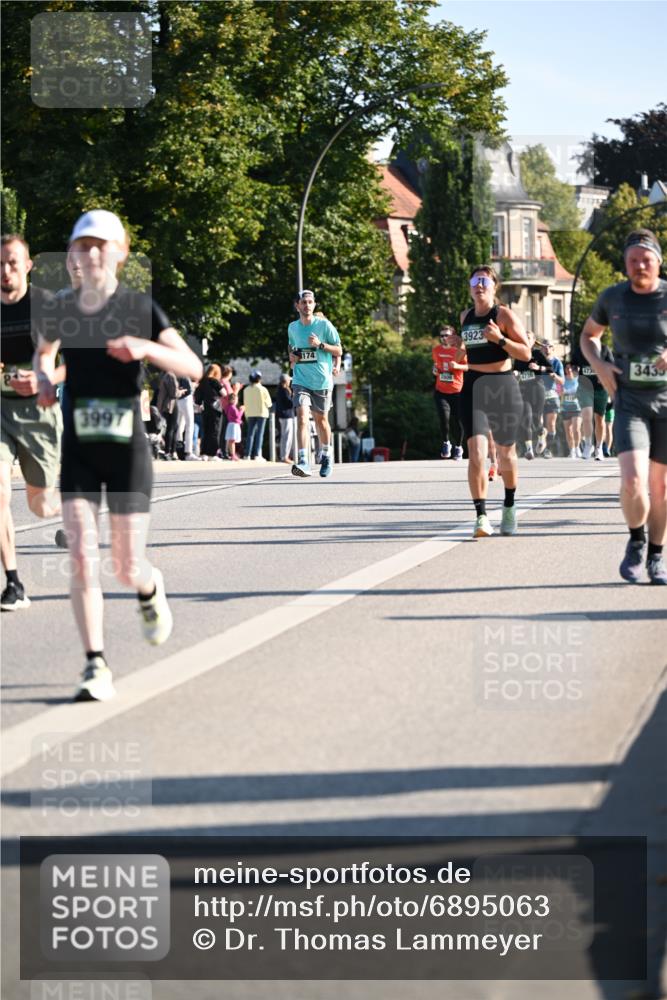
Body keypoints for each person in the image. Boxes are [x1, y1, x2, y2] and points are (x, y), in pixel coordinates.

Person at [33, 209, 203, 700]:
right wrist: (44, 380)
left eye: (99, 245)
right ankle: (95, 664)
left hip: (127, 449)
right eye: (81, 246)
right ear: (73, 255)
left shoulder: (139, 308)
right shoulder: (61, 307)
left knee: (126, 567)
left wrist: (144, 348)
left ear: (120, 251)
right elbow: (46, 353)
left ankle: (149, 588)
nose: (90, 254)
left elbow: (191, 365)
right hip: (81, 448)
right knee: (84, 558)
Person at [580, 228, 667, 585]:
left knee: (660, 487)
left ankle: (657, 556)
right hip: (629, 398)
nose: (639, 265)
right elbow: (588, 335)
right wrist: (599, 366)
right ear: (626, 264)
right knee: (633, 480)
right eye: (633, 260)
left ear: (658, 262)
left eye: (646, 259)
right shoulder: (613, 297)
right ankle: (635, 540)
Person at [1, 234, 62, 610]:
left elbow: (80, 360)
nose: (5, 271)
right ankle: (13, 582)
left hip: (39, 412)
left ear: (27, 266)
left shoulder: (47, 305)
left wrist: (45, 379)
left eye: (12, 263)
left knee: (40, 507)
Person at [457, 265, 530, 537]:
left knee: (506, 454)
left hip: (502, 387)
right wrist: (458, 344)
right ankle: (481, 516)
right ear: (469, 287)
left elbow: (525, 353)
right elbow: (467, 351)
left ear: (494, 287)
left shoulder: (503, 315)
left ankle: (509, 506)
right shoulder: (465, 316)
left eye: (484, 281)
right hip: (472, 387)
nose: (479, 286)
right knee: (476, 454)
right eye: (474, 281)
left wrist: (500, 340)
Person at [288, 289, 342, 478]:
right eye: (303, 302)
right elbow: (292, 348)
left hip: (321, 381)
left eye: (310, 302)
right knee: (302, 416)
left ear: (314, 304)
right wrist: (292, 356)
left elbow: (339, 350)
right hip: (300, 379)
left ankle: (326, 455)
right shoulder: (292, 327)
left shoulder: (324, 325)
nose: (307, 305)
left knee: (322, 421)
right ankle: (303, 460)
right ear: (297, 306)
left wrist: (320, 345)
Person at [571, 338, 615, 460]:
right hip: (585, 387)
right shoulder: (580, 350)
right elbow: (573, 364)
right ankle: (588, 444)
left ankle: (599, 448)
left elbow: (612, 365)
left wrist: (604, 375)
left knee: (599, 419)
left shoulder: (605, 349)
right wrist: (575, 370)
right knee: (586, 415)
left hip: (601, 389)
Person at [513, 330, 549, 461]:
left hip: (537, 390)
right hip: (523, 390)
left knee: (535, 419)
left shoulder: (537, 354)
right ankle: (529, 449)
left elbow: (551, 368)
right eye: (524, 337)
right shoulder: (519, 354)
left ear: (533, 341)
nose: (526, 339)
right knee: (526, 419)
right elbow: (515, 369)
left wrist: (539, 368)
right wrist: (516, 372)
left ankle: (541, 433)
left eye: (529, 338)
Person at [432, 325, 466, 460]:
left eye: (447, 335)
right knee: (444, 418)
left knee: (456, 421)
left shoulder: (459, 350)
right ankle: (446, 443)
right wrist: (434, 370)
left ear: (453, 336)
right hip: (441, 390)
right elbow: (437, 366)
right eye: (442, 336)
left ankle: (458, 447)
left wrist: (457, 366)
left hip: (457, 391)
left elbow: (469, 366)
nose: (444, 338)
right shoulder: (436, 350)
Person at [537, 341, 564, 458]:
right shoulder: (536, 361)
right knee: (539, 422)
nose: (547, 349)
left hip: (552, 396)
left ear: (553, 349)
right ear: (541, 349)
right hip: (537, 396)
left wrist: (554, 375)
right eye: (544, 347)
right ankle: (541, 439)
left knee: (551, 424)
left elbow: (562, 381)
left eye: (550, 347)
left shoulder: (557, 362)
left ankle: (548, 449)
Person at [194, 362, 224, 461]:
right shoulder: (214, 381)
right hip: (215, 408)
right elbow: (224, 393)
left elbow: (197, 398)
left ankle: (204, 453)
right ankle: (212, 454)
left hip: (205, 409)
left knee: (205, 431)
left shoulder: (202, 382)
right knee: (214, 431)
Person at [242, 370, 272, 461]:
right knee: (260, 434)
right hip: (261, 413)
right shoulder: (263, 389)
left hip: (250, 413)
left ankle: (247, 454)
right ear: (259, 379)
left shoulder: (246, 389)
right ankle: (257, 454)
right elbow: (269, 403)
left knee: (250, 434)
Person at [561, 362, 583, 459]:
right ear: (565, 370)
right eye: (567, 368)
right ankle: (572, 450)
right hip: (565, 408)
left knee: (576, 429)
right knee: (568, 430)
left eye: (570, 368)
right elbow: (559, 392)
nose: (569, 370)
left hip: (577, 408)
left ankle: (577, 447)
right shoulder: (562, 380)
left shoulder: (578, 379)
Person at [157, 369, 179, 460]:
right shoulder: (171, 375)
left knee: (174, 427)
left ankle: (172, 451)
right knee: (172, 428)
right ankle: (168, 451)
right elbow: (174, 393)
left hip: (165, 405)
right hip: (171, 404)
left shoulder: (163, 375)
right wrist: (181, 392)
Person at [176, 375, 199, 460]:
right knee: (190, 425)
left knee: (179, 426)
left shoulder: (177, 373)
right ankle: (188, 452)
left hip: (179, 400)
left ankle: (178, 449)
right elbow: (188, 390)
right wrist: (193, 386)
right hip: (186, 399)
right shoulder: (185, 374)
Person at [275, 372, 295, 464]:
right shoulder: (285, 390)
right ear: (286, 381)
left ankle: (284, 456)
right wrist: (294, 398)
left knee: (284, 436)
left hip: (282, 415)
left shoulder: (279, 389)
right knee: (287, 437)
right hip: (286, 416)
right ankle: (285, 456)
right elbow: (290, 403)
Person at [223, 391, 244, 460]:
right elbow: (238, 417)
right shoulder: (233, 407)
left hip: (231, 424)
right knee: (232, 441)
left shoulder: (228, 407)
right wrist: (241, 410)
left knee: (231, 441)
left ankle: (232, 454)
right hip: (234, 425)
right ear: (233, 400)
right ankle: (233, 455)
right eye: (236, 399)